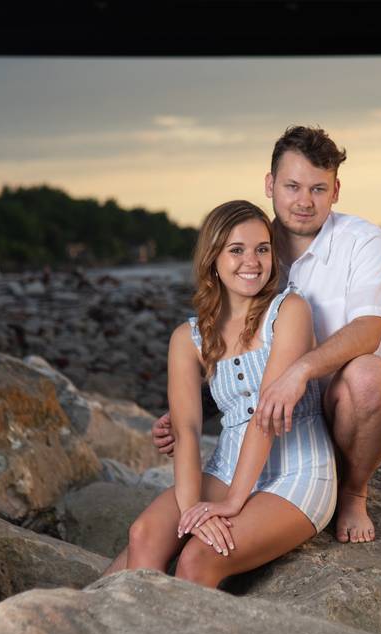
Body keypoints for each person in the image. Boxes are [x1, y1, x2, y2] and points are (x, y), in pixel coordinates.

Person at [154, 126, 381, 544]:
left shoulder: (362, 241)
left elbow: (368, 330)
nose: (305, 201)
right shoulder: (251, 248)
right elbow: (232, 346)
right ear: (270, 184)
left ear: (336, 190)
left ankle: (353, 491)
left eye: (318, 188)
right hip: (276, 422)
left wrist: (301, 371)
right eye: (292, 186)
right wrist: (187, 414)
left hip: (349, 412)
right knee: (155, 539)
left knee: (368, 376)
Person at [99, 200, 337, 587]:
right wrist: (194, 509)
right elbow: (188, 430)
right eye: (236, 250)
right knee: (143, 534)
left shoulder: (289, 310)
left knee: (199, 558)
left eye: (262, 249)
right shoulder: (187, 338)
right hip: (226, 467)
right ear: (213, 257)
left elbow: (267, 412)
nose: (253, 261)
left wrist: (230, 504)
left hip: (297, 467)